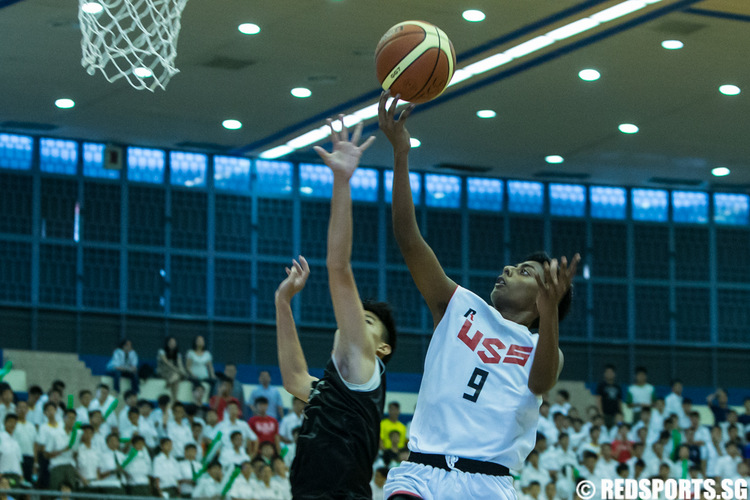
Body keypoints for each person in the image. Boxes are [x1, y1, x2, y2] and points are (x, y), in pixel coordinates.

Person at [378, 91, 579, 500]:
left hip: (487, 484)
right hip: (421, 472)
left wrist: (550, 312)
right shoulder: (460, 306)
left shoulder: (542, 346)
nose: (508, 269)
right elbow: (409, 239)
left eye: (525, 272)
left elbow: (541, 381)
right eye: (514, 265)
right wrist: (401, 154)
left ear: (546, 299)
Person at [274, 117, 396, 499]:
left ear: (382, 348)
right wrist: (282, 302)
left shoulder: (363, 366)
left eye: (368, 320)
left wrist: (342, 181)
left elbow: (338, 266)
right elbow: (295, 377)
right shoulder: (334, 390)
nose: (357, 316)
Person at [157, 336, 188, 401]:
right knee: (177, 375)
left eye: (174, 342)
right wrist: (178, 371)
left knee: (176, 378)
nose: (172, 344)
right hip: (163, 371)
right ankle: (175, 399)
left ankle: (174, 397)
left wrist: (183, 372)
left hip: (173, 373)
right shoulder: (161, 351)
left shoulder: (178, 354)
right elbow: (167, 363)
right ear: (167, 343)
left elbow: (180, 365)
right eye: (171, 342)